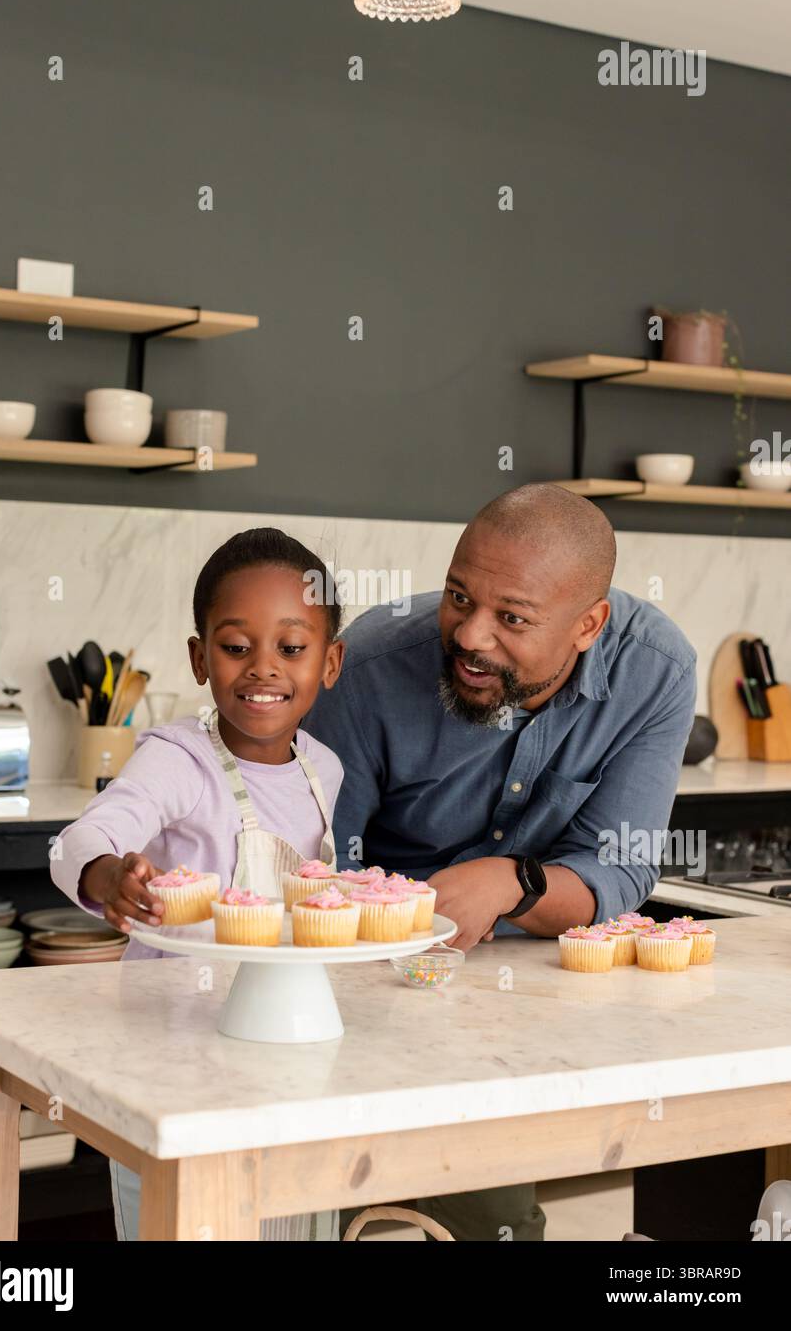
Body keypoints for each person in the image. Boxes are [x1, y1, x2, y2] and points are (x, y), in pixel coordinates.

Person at [303, 483, 697, 1242]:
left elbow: (619, 871)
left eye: (510, 618)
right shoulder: (372, 666)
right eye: (459, 597)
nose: (470, 635)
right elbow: (316, 860)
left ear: (588, 625)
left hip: (510, 1013)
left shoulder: (655, 671)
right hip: (356, 988)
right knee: (302, 1211)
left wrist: (509, 883)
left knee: (495, 1226)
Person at [51, 527, 345, 1241]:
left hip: (287, 1039)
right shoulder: (177, 758)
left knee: (291, 1218)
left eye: (292, 648)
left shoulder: (324, 769)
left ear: (329, 662)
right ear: (198, 656)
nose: (262, 670)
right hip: (175, 1054)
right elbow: (80, 839)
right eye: (236, 647)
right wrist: (108, 873)